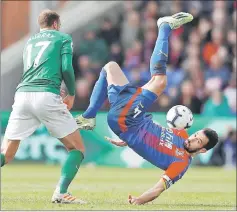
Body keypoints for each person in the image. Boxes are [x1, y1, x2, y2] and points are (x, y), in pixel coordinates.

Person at [75, 12, 219, 205]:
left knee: (159, 81)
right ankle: (89, 116)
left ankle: (165, 27)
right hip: (131, 119)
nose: (192, 138)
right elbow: (153, 139)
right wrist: (128, 141)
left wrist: (139, 200)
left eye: (197, 141)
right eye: (196, 135)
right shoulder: (182, 135)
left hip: (128, 121)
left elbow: (158, 188)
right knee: (110, 67)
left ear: (201, 151)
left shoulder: (181, 164)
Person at [1, 9, 86, 204]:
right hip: (45, 94)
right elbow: (66, 67)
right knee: (77, 148)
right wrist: (71, 93)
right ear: (56, 24)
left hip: (22, 94)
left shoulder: (29, 41)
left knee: (6, 153)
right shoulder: (62, 37)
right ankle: (61, 193)